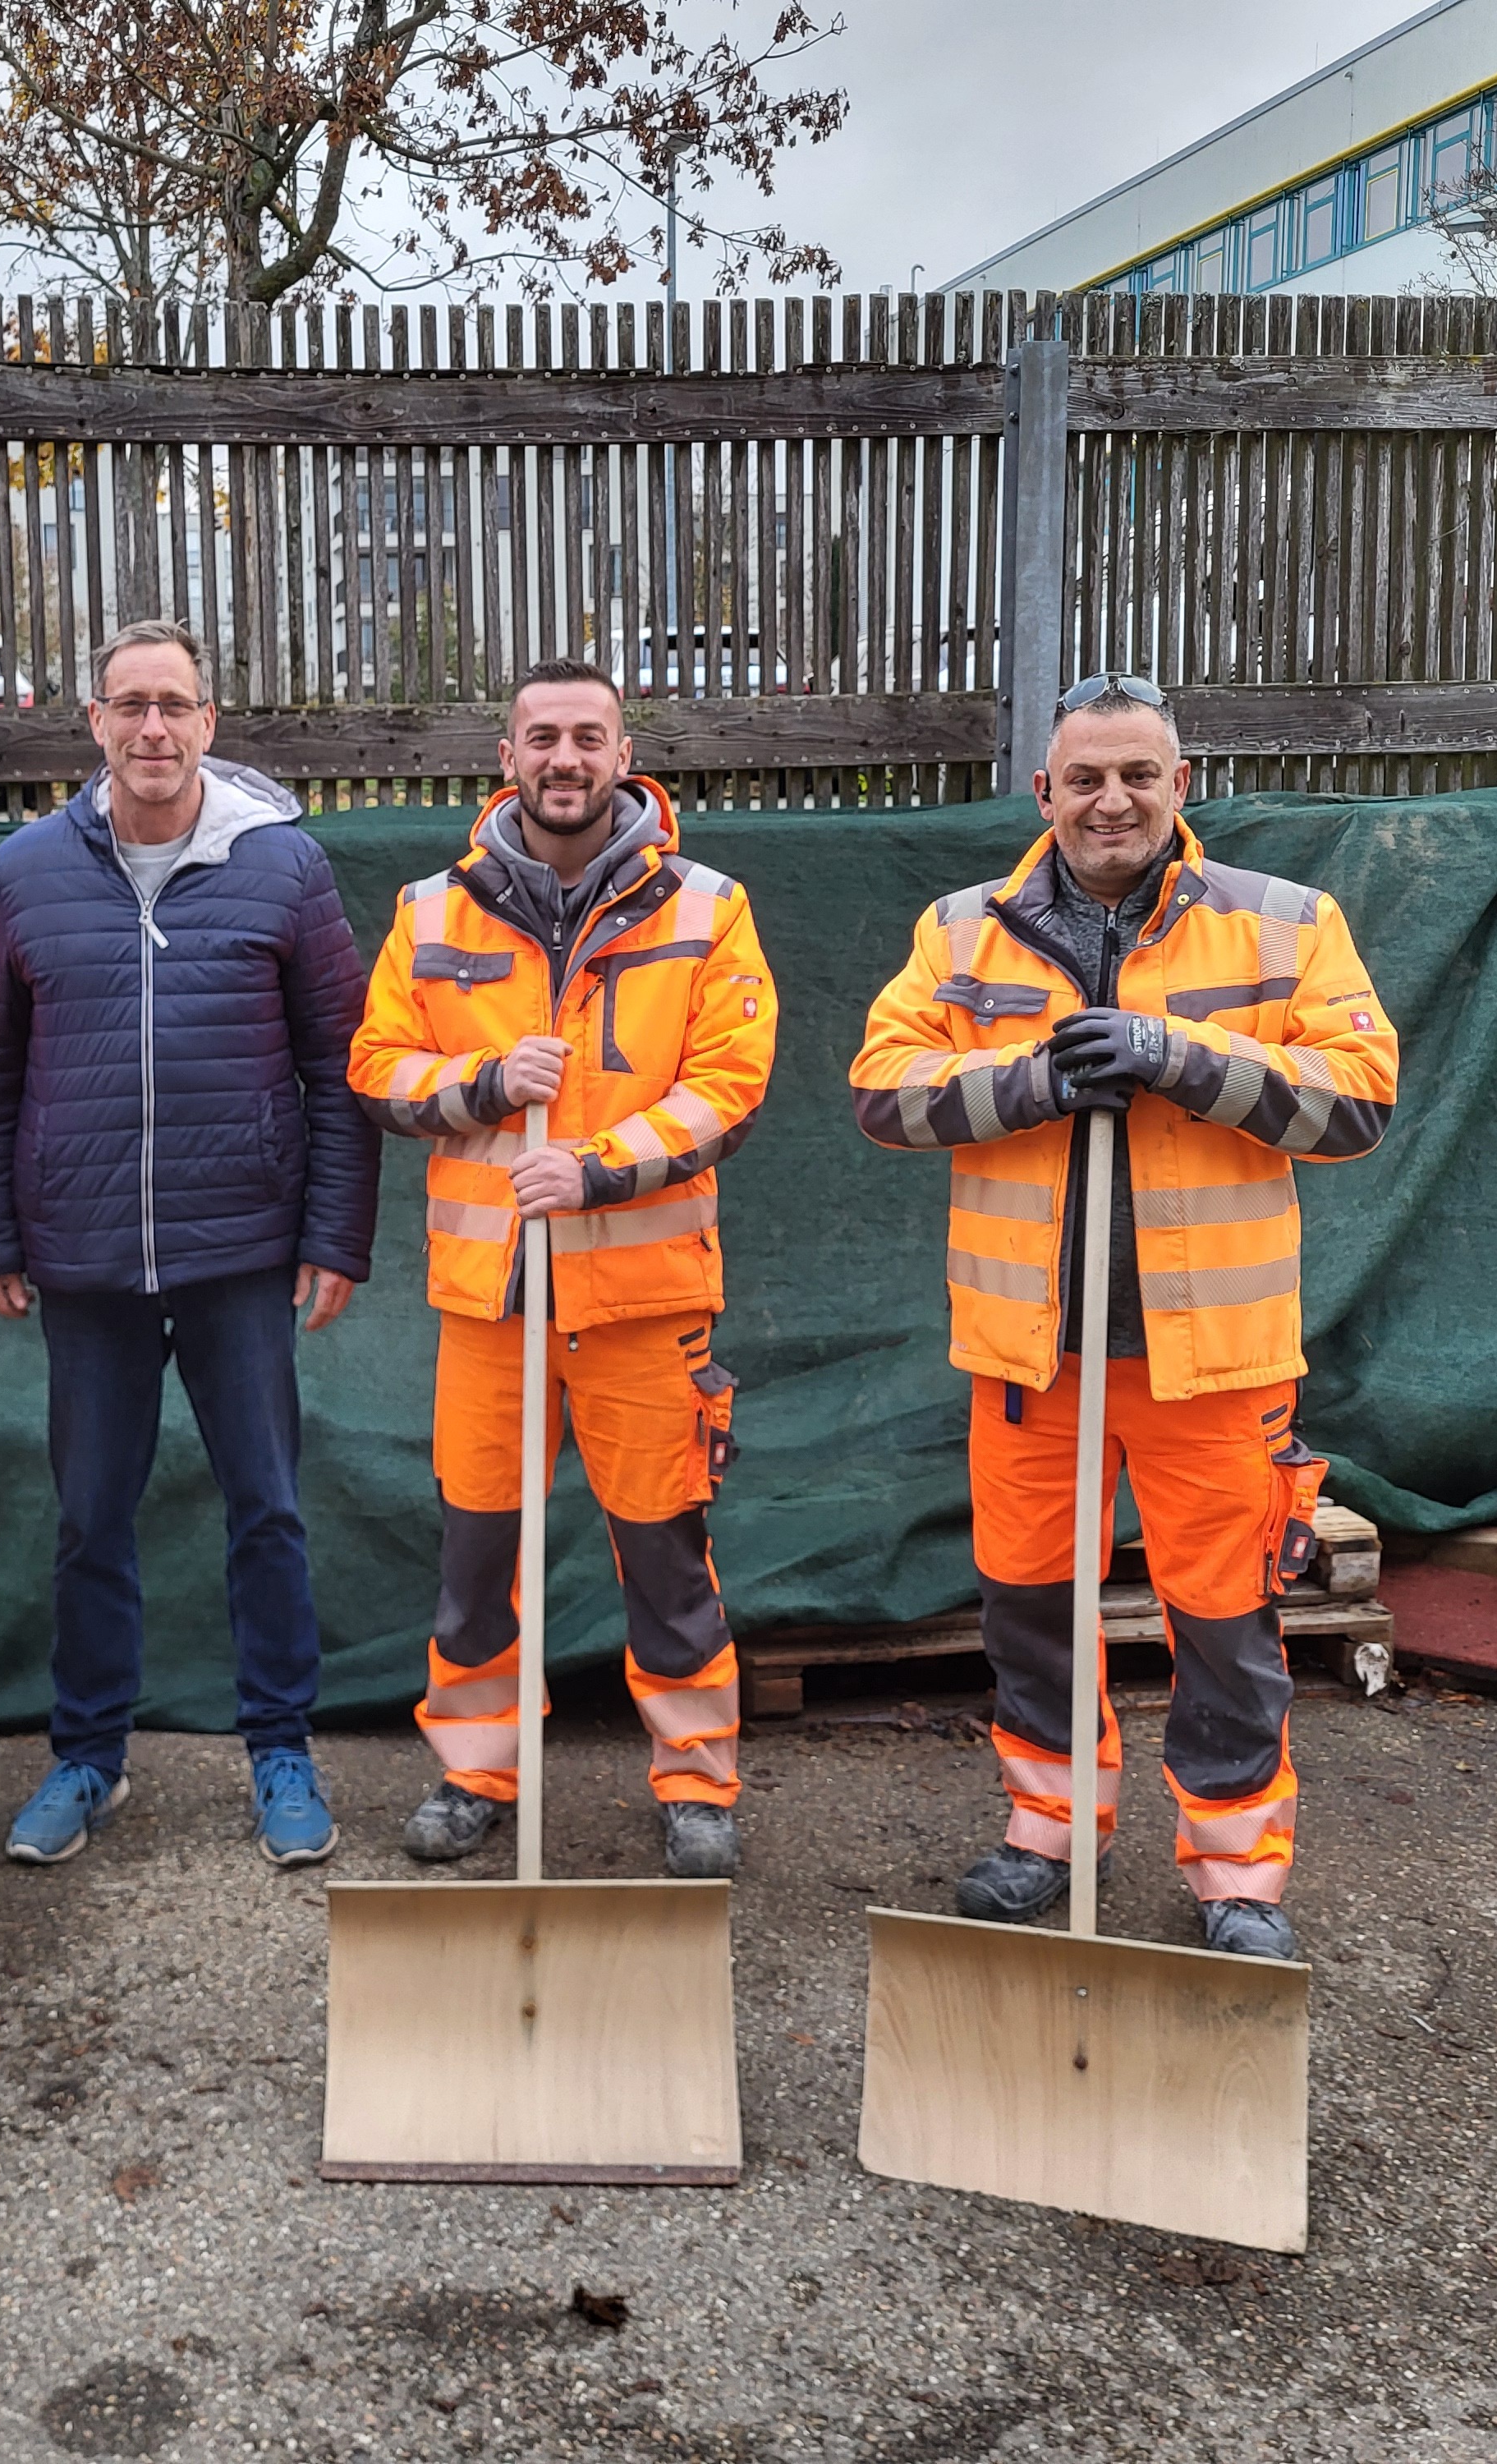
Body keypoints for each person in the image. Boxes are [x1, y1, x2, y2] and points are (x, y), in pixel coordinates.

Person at [847, 674, 1400, 1961]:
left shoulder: (1286, 924)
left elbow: (1358, 1102)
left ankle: (1235, 1872)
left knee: (1225, 1625)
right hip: (1028, 1356)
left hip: (1212, 1359)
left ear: (1180, 786)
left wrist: (1181, 1060)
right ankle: (1048, 1831)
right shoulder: (963, 931)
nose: (1112, 799)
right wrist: (1032, 1081)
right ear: (1043, 794)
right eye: (1085, 778)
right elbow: (884, 1091)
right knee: (1031, 1609)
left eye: (1138, 775)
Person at [0, 618, 379, 1869]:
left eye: (174, 705)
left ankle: (281, 1753)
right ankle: (88, 1761)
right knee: (90, 1517)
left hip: (243, 1244)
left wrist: (334, 1235)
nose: (152, 728)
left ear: (209, 723)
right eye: (129, 704)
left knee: (269, 1509)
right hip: (81, 1255)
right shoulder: (23, 871)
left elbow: (337, 1068)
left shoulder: (285, 867)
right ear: (94, 723)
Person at [348, 658, 778, 1881]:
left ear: (624, 751)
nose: (565, 759)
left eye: (588, 735)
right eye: (542, 736)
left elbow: (731, 1088)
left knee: (664, 1554)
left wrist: (595, 1169)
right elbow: (376, 1064)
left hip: (645, 1305)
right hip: (489, 1303)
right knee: (477, 1558)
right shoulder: (434, 912)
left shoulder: (705, 905)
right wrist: (481, 1087)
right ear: (507, 758)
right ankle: (475, 1769)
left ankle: (696, 1784)